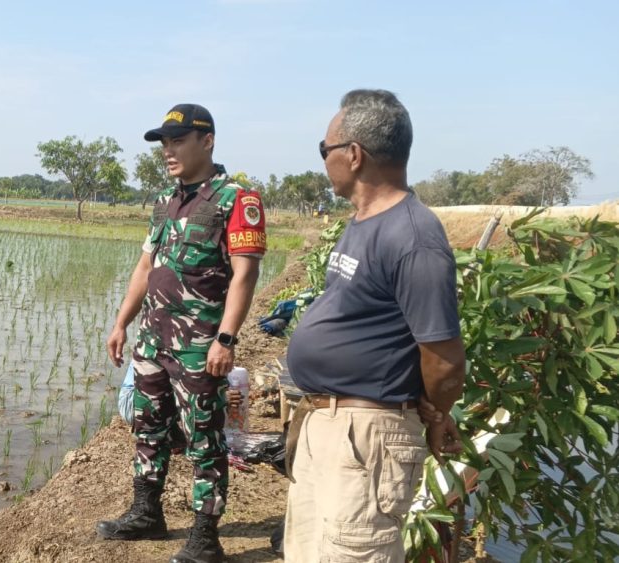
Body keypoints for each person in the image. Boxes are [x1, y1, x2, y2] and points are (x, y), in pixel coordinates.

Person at [282, 89, 466, 562]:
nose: (324, 162)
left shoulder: (414, 237)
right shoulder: (363, 221)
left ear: (354, 155)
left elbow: (443, 359)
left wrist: (435, 414)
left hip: (366, 435)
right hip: (329, 422)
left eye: (325, 150)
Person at [98, 103, 267, 563]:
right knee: (148, 427)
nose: (168, 151)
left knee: (203, 437)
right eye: (164, 144)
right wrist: (121, 323)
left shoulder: (237, 200)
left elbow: (245, 275)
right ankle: (146, 512)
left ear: (207, 140)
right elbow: (144, 266)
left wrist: (226, 338)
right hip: (152, 338)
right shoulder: (166, 201)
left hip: (199, 346)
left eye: (177, 141)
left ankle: (206, 538)